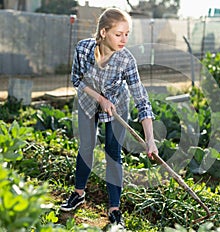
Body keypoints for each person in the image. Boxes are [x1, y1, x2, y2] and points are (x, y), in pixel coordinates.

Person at [60, 7, 158, 228]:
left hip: (117, 107)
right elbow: (76, 79)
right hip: (88, 103)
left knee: (113, 153)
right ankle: (79, 193)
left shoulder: (126, 60)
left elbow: (142, 99)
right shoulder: (84, 49)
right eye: (118, 34)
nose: (124, 39)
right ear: (103, 32)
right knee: (86, 146)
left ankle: (114, 208)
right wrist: (99, 98)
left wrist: (150, 139)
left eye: (127, 34)